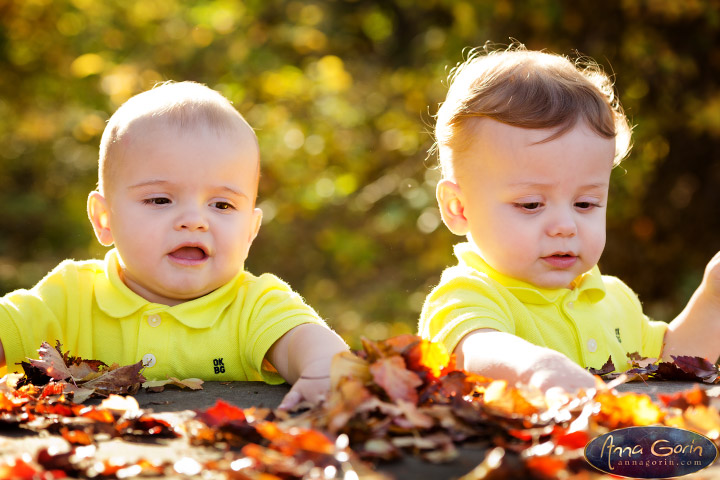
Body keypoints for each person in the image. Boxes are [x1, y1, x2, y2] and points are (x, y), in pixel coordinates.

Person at [0, 81, 348, 409]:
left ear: (250, 232)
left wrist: (326, 372)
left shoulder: (254, 306)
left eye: (222, 205)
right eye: (161, 200)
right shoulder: (71, 296)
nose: (194, 220)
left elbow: (309, 342)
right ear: (104, 219)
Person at [419, 44, 720, 395]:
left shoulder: (613, 300)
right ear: (459, 208)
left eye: (585, 203)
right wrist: (538, 369)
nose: (565, 225)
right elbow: (478, 350)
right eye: (531, 204)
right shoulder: (467, 296)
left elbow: (669, 371)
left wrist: (713, 298)